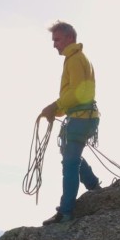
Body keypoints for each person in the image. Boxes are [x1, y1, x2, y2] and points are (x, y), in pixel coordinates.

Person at [37, 21, 101, 226]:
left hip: (82, 117)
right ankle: (94, 188)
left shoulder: (74, 59)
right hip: (84, 115)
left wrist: (54, 106)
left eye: (57, 39)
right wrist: (56, 110)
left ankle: (65, 212)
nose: (54, 44)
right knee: (70, 156)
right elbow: (78, 94)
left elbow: (77, 93)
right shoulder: (77, 58)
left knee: (70, 161)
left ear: (69, 38)